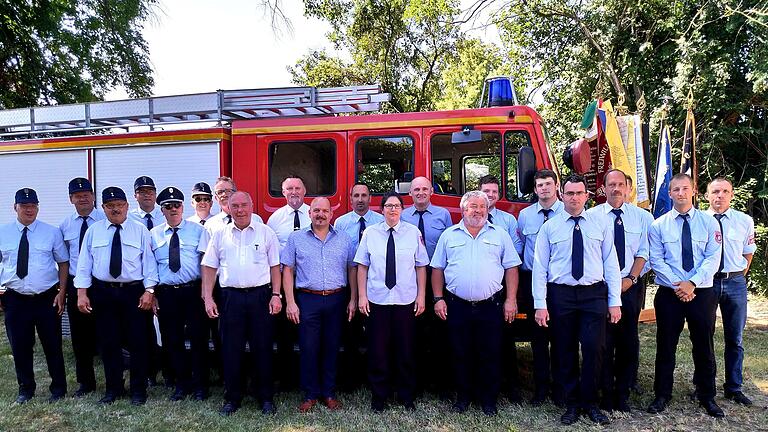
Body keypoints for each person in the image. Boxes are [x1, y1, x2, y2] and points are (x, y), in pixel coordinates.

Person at [533, 174, 622, 425]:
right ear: (562, 195)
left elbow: (611, 264)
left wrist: (614, 301)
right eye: (569, 193)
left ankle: (590, 403)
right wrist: (540, 304)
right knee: (565, 350)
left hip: (593, 294)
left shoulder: (599, 224)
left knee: (594, 348)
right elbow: (540, 268)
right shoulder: (549, 227)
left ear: (587, 195)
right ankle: (571, 404)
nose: (574, 198)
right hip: (561, 295)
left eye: (579, 193)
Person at [430, 190, 522, 416]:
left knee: (490, 353)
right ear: (463, 209)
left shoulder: (500, 234)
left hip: (491, 305)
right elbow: (437, 269)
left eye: (482, 206)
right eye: (473, 206)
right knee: (460, 353)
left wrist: (511, 300)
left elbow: (511, 267)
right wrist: (438, 298)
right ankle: (463, 398)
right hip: (456, 305)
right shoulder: (449, 235)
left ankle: (488, 400)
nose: (478, 210)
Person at [647, 173, 724, 417]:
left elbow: (713, 258)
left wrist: (691, 283)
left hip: (701, 293)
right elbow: (656, 260)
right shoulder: (658, 225)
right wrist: (679, 285)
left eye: (685, 189)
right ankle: (662, 395)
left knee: (704, 345)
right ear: (669, 194)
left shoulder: (709, 223)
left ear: (693, 191)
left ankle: (707, 396)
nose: (680, 193)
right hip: (670, 294)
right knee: (665, 346)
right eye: (675, 189)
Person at [75, 186, 159, 406]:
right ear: (102, 208)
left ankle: (138, 390)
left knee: (138, 342)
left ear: (127, 206)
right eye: (110, 206)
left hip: (133, 292)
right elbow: (84, 264)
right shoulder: (94, 231)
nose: (115, 210)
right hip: (103, 292)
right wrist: (82, 294)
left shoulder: (140, 230)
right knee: (108, 342)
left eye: (119, 205)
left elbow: (149, 265)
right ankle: (113, 388)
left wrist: (149, 291)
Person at [201, 191, 283, 416]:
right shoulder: (219, 234)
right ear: (227, 207)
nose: (239, 210)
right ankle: (232, 398)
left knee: (263, 349)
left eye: (244, 205)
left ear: (251, 205)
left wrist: (276, 295)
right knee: (231, 350)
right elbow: (209, 267)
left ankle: (265, 398)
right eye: (234, 205)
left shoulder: (266, 233)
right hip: (230, 298)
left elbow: (275, 266)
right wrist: (208, 297)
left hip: (260, 297)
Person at [281, 197, 357, 413]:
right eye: (316, 210)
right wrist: (290, 302)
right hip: (308, 299)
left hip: (337, 298)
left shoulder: (344, 238)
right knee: (309, 347)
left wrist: (352, 298)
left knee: (332, 347)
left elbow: (352, 269)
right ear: (310, 213)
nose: (320, 214)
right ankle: (310, 394)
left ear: (331, 213)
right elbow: (287, 269)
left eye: (324, 210)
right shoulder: (296, 238)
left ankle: (329, 393)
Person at [355, 192, 429, 412]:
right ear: (381, 209)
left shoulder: (413, 233)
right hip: (377, 300)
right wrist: (361, 295)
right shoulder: (370, 233)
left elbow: (421, 266)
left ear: (402, 209)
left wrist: (422, 295)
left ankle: (406, 395)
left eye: (397, 206)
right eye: (388, 206)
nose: (393, 210)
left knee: (406, 350)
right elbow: (362, 266)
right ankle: (379, 396)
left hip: (405, 301)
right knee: (378, 351)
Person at [587, 169, 653, 412]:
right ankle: (605, 392)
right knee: (602, 341)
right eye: (611, 184)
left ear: (628, 188)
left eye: (620, 184)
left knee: (628, 339)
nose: (616, 189)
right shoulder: (591, 216)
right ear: (603, 188)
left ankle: (623, 392)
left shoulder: (643, 218)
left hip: (630, 286)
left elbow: (645, 252)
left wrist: (631, 278)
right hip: (600, 288)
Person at [0, 188, 69, 404]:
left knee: (53, 345)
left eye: (33, 206)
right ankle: (26, 389)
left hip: (46, 297)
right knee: (20, 346)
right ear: (15, 208)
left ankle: (58, 388)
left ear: (38, 207)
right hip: (15, 298)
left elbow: (63, 263)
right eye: (24, 206)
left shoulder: (52, 232)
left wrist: (62, 292)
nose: (29, 210)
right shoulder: (3, 232)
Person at [150, 187, 209, 401]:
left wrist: (205, 291)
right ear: (162, 210)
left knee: (198, 340)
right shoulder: (153, 234)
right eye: (168, 206)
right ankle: (181, 384)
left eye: (176, 205)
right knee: (172, 340)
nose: (173, 209)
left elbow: (206, 263)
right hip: (166, 294)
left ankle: (201, 385)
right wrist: (153, 294)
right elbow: (150, 267)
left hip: (193, 291)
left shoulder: (198, 231)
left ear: (182, 207)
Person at [515, 169, 565, 406]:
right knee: (537, 338)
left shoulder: (568, 212)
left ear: (556, 186)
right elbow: (524, 247)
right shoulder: (525, 216)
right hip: (531, 281)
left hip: (558, 283)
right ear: (534, 190)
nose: (544, 188)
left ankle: (560, 388)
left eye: (548, 184)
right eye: (539, 185)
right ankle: (540, 389)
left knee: (560, 338)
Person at [704, 177, 756, 406]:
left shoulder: (744, 220)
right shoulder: (699, 220)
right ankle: (704, 385)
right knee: (703, 337)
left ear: (732, 195)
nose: (720, 196)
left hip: (735, 282)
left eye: (725, 191)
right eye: (715, 191)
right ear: (707, 195)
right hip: (707, 283)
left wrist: (738, 275)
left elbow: (748, 252)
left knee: (734, 338)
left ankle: (733, 387)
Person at [401, 176, 452, 395]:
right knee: (415, 333)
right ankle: (417, 383)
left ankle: (441, 383)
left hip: (438, 280)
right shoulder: (402, 215)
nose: (420, 193)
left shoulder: (444, 215)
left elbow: (451, 245)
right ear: (410, 193)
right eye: (416, 189)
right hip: (411, 281)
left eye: (424, 189)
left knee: (441, 333)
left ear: (432, 191)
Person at [478, 174, 525, 402]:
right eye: (486, 191)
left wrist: (511, 297)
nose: (490, 195)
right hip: (481, 289)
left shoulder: (508, 221)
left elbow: (514, 257)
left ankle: (512, 387)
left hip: (503, 288)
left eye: (494, 192)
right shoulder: (469, 219)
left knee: (506, 339)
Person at [333, 182, 383, 389]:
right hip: (347, 284)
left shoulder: (380, 221)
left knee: (375, 333)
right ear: (350, 198)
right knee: (350, 333)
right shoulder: (340, 223)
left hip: (376, 284)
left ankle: (374, 377)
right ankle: (351, 379)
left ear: (371, 199)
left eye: (364, 195)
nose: (360, 199)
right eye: (356, 195)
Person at [59, 177, 104, 397]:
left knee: (110, 334)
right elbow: (64, 262)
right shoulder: (65, 225)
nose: (83, 197)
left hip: (102, 284)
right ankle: (86, 382)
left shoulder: (106, 218)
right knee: (80, 337)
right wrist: (62, 291)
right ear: (71, 199)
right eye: (78, 195)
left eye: (87, 193)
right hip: (77, 285)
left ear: (93, 196)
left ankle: (116, 380)